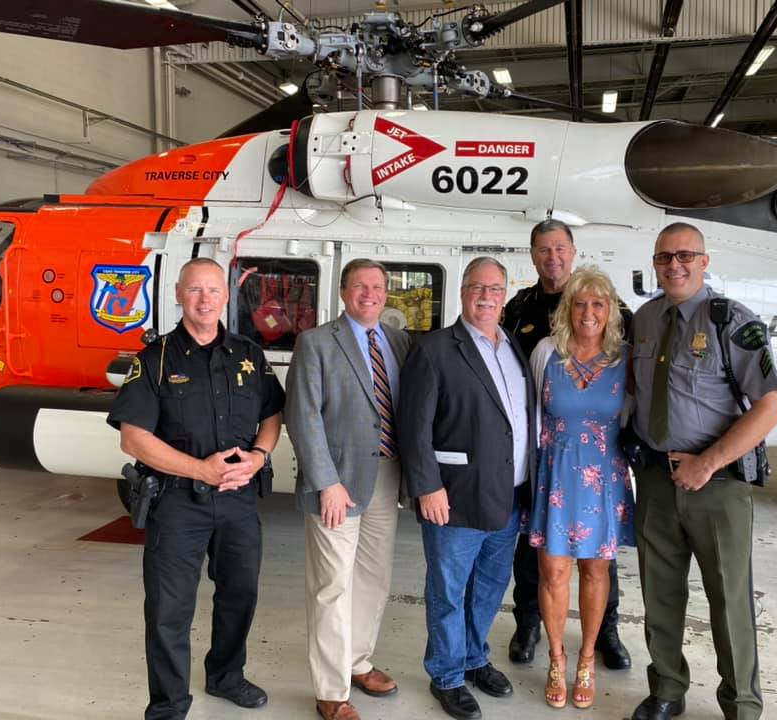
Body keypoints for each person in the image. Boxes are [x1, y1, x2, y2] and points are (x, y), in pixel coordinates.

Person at [107, 257, 284, 720]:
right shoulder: (155, 359)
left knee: (240, 594)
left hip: (239, 501)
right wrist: (199, 470)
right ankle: (169, 706)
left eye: (212, 290)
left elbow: (272, 414)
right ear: (178, 295)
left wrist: (260, 456)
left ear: (226, 296)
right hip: (178, 503)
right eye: (194, 290)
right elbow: (134, 437)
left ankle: (226, 676)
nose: (204, 299)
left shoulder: (249, 354)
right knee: (169, 610)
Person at [627, 222, 777, 720]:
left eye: (685, 255)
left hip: (716, 486)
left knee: (729, 600)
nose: (675, 264)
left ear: (704, 260)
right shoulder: (643, 320)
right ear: (654, 263)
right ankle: (668, 689)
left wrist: (709, 462)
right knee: (660, 595)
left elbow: (770, 407)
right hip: (655, 479)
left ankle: (741, 704)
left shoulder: (732, 321)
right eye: (664, 257)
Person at [397, 257, 537, 720]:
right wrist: (427, 487)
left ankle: (475, 658)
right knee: (448, 591)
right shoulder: (435, 348)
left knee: (490, 587)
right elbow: (413, 427)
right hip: (452, 496)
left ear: (504, 294)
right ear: (462, 292)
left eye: (494, 289)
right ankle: (447, 675)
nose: (486, 296)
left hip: (509, 496)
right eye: (477, 287)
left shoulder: (513, 347)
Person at [502, 218, 632, 670]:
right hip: (550, 466)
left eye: (560, 248)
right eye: (543, 250)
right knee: (537, 560)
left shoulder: (621, 334)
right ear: (534, 255)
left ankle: (605, 634)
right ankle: (529, 626)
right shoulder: (520, 311)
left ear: (572, 252)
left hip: (600, 471)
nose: (552, 257)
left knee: (600, 563)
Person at [284, 259, 411, 720]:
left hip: (387, 476)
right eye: (361, 286)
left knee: (373, 579)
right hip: (336, 486)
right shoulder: (315, 343)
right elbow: (303, 417)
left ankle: (358, 661)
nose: (370, 294)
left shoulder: (398, 342)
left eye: (378, 286)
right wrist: (327, 483)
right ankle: (332, 689)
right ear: (343, 292)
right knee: (331, 586)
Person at [526, 266, 636, 710]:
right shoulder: (545, 353)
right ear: (567, 309)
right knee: (553, 572)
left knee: (596, 572)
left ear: (609, 311)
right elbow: (532, 417)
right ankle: (556, 658)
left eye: (597, 303)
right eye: (579, 302)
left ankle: (587, 659)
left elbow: (632, 419)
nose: (588, 312)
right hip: (555, 477)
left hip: (604, 481)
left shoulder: (625, 358)